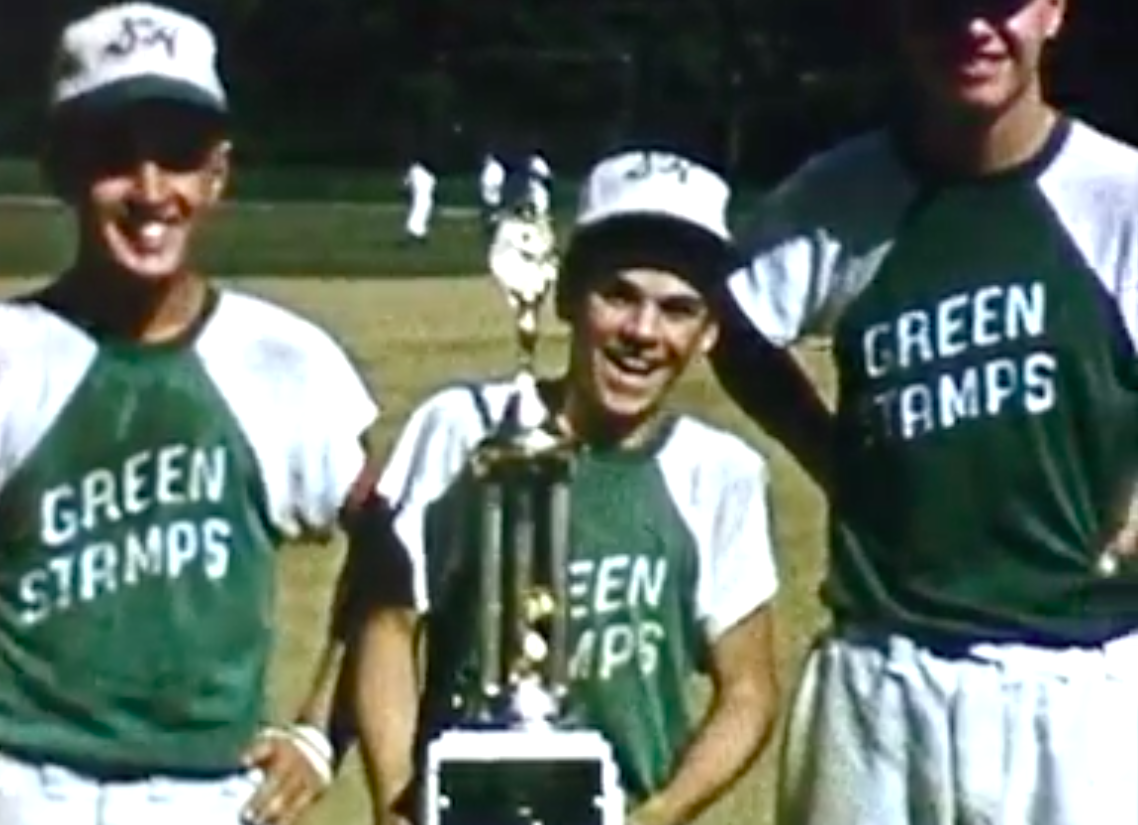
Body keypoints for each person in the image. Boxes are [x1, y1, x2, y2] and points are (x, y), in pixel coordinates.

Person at [711, 0, 1138, 823]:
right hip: (884, 676)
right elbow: (737, 330)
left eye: (1003, 5)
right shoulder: (842, 196)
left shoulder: (1117, 196)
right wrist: (829, 454)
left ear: (1053, 12)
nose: (974, 28)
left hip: (1077, 676)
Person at [0, 4, 389, 823]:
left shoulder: (282, 359)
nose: (149, 191)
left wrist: (321, 731)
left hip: (208, 790)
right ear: (61, 168)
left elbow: (396, 547)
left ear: (217, 173)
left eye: (177, 157)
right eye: (113, 155)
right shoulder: (13, 351)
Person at [347, 149, 781, 825]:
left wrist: (663, 812)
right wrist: (397, 795)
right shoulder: (464, 428)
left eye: (678, 309)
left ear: (709, 329)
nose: (643, 332)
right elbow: (388, 623)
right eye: (619, 295)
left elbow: (748, 688)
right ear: (567, 295)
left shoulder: (719, 471)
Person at [402, 160, 436, 244]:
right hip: (428, 200)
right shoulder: (429, 176)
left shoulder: (414, 171)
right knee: (420, 221)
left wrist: (406, 187)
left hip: (419, 200)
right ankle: (421, 240)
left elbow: (406, 184)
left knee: (412, 222)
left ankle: (412, 242)